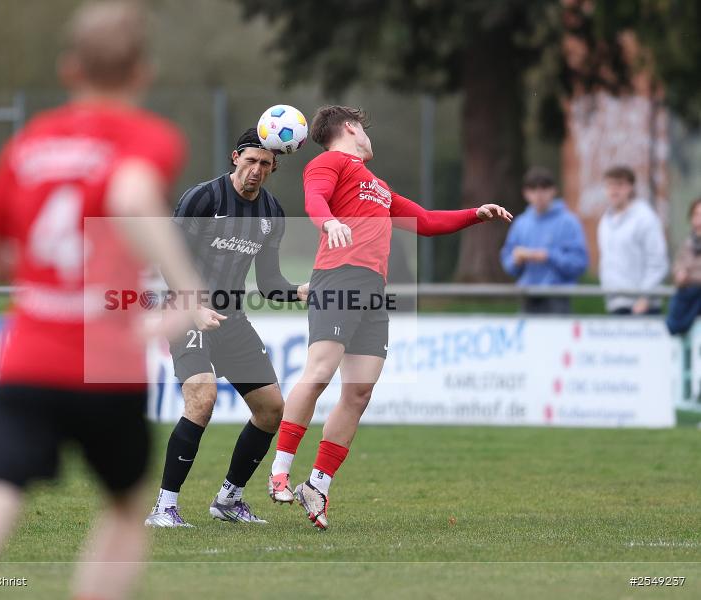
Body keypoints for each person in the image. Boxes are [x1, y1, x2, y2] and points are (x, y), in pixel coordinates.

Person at [0, 3, 203, 600]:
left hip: (27, 366)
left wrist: (40, 266)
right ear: (143, 72)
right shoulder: (151, 138)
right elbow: (131, 191)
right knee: (123, 510)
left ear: (70, 69)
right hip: (105, 367)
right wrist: (185, 286)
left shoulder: (29, 144)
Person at [267, 105, 512, 529]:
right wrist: (327, 225)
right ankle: (280, 471)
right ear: (350, 128)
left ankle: (318, 486)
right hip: (337, 277)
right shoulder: (329, 162)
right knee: (320, 370)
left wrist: (477, 214)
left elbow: (428, 222)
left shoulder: (378, 186)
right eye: (363, 127)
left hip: (373, 290)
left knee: (358, 394)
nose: (368, 136)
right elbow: (315, 199)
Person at [144, 128, 309, 528]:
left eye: (265, 164)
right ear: (236, 158)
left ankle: (228, 499)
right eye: (250, 161)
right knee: (201, 399)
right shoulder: (204, 198)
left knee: (271, 410)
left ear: (274, 167)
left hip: (231, 319)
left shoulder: (271, 214)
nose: (256, 170)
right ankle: (164, 507)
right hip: (186, 312)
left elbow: (269, 283)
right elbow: (170, 261)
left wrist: (300, 291)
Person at [500, 166, 588, 313]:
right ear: (526, 194)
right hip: (527, 298)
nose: (539, 195)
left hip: (558, 298)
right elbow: (508, 261)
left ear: (553, 190)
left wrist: (548, 256)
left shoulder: (569, 222)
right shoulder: (520, 223)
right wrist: (516, 260)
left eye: (544, 189)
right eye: (533, 189)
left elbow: (579, 263)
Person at [597, 165, 668, 315]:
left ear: (630, 187)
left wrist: (645, 297)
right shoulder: (605, 221)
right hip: (615, 302)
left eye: (620, 185)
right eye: (610, 185)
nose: (614, 190)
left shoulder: (645, 218)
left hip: (641, 306)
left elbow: (658, 261)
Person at [666, 198, 701, 334]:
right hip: (687, 301)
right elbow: (676, 269)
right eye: (696, 214)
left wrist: (689, 277)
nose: (699, 220)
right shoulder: (686, 245)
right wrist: (679, 275)